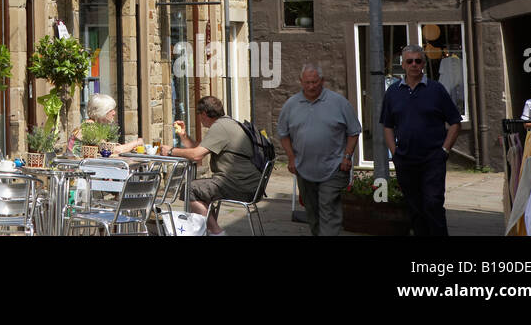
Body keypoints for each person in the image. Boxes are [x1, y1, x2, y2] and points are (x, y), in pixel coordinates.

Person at [381, 44, 461, 237]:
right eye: (410, 61)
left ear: (423, 64)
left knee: (432, 204)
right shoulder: (393, 92)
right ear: (403, 64)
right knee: (415, 208)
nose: (414, 65)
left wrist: (444, 151)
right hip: (406, 159)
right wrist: (395, 153)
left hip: (433, 158)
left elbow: (455, 123)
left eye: (418, 61)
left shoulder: (436, 89)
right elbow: (387, 126)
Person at [277, 62, 360, 236]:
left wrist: (347, 156)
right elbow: (283, 135)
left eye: (315, 82)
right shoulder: (291, 105)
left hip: (333, 168)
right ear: (301, 81)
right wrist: (291, 158)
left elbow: (354, 131)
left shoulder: (339, 103)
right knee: (312, 213)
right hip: (304, 169)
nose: (311, 86)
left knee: (328, 209)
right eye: (307, 82)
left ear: (322, 81)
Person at [165, 95, 261, 236]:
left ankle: (216, 232)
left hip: (239, 184)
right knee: (201, 190)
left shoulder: (220, 127)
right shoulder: (228, 123)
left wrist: (171, 151)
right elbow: (200, 148)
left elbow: (197, 155)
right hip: (248, 182)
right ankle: (207, 230)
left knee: (190, 189)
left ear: (204, 114)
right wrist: (184, 136)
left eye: (199, 115)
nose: (199, 118)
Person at [68, 93, 144, 155]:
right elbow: (112, 150)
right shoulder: (90, 128)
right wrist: (136, 143)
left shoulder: (92, 126)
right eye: (110, 110)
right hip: (78, 170)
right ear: (101, 112)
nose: (114, 113)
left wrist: (128, 147)